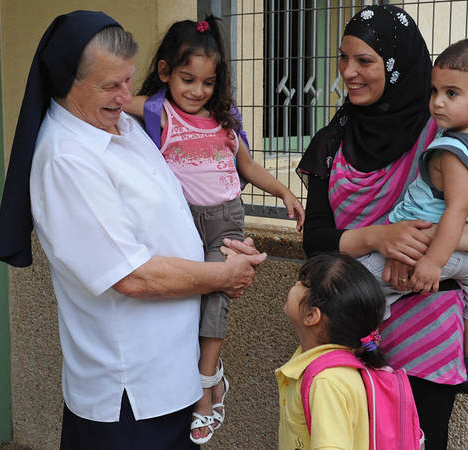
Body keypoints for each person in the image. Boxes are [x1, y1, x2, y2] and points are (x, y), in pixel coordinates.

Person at [0, 11, 266, 450]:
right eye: (109, 85)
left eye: (126, 80)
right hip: (128, 396)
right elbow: (130, 276)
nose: (125, 96)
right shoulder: (67, 159)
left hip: (171, 379)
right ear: (67, 82)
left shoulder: (118, 126)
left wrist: (227, 248)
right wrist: (223, 276)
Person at [297, 5, 468, 449]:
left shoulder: (443, 130)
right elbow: (315, 240)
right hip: (353, 325)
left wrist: (425, 248)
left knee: (421, 439)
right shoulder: (332, 140)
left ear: (399, 65)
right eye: (343, 59)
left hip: (428, 328)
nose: (349, 73)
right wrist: (380, 237)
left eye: (365, 61)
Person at [122, 16, 305, 444]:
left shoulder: (225, 117)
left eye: (207, 82)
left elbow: (247, 167)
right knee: (189, 298)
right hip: (181, 221)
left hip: (226, 219)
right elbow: (107, 102)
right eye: (187, 79)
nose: (197, 91)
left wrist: (283, 192)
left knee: (218, 295)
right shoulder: (157, 110)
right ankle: (214, 376)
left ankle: (204, 384)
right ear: (166, 71)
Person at [357, 38, 468, 397]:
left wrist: (431, 261)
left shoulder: (452, 151)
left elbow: (456, 211)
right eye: (434, 91)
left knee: (363, 287)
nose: (438, 102)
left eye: (451, 93)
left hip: (425, 246)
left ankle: (367, 345)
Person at [276, 253, 386, 450]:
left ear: (311, 315)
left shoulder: (327, 382)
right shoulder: (319, 366)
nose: (295, 283)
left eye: (303, 283)